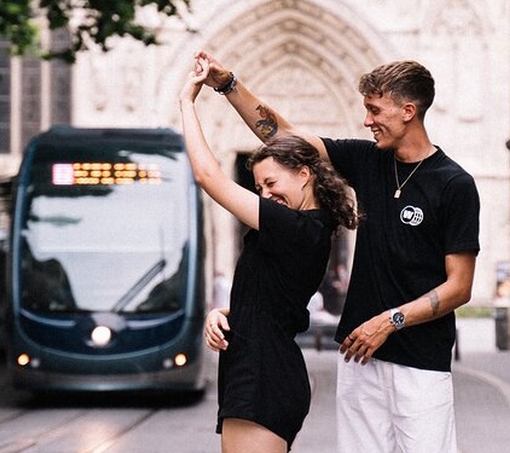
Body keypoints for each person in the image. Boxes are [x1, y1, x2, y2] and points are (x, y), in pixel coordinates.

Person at [196, 50, 480, 453]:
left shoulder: (454, 185)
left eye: (375, 110)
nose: (367, 121)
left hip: (421, 362)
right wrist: (227, 85)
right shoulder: (369, 160)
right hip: (359, 359)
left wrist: (390, 321)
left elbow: (460, 287)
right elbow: (284, 140)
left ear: (408, 111)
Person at [180, 55, 359, 453]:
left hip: (263, 374)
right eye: (259, 188)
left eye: (271, 182)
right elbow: (270, 298)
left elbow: (208, 176)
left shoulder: (301, 227)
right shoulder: (301, 228)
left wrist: (187, 104)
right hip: (258, 367)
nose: (266, 195)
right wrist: (224, 313)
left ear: (304, 173)